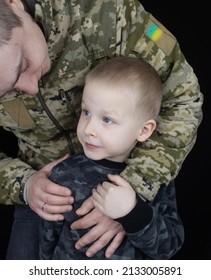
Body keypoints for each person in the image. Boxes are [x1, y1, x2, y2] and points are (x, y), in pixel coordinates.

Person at [0, 0, 203, 260]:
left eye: (23, 64)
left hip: (137, 171)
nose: (29, 87)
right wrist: (23, 186)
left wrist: (133, 194)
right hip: (45, 195)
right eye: (7, 91)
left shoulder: (109, 12)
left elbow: (183, 99)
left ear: (13, 4)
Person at [39, 56, 184, 260]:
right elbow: (47, 242)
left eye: (107, 119)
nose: (89, 130)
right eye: (86, 112)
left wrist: (133, 213)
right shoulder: (63, 173)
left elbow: (168, 248)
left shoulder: (155, 180)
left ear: (144, 130)